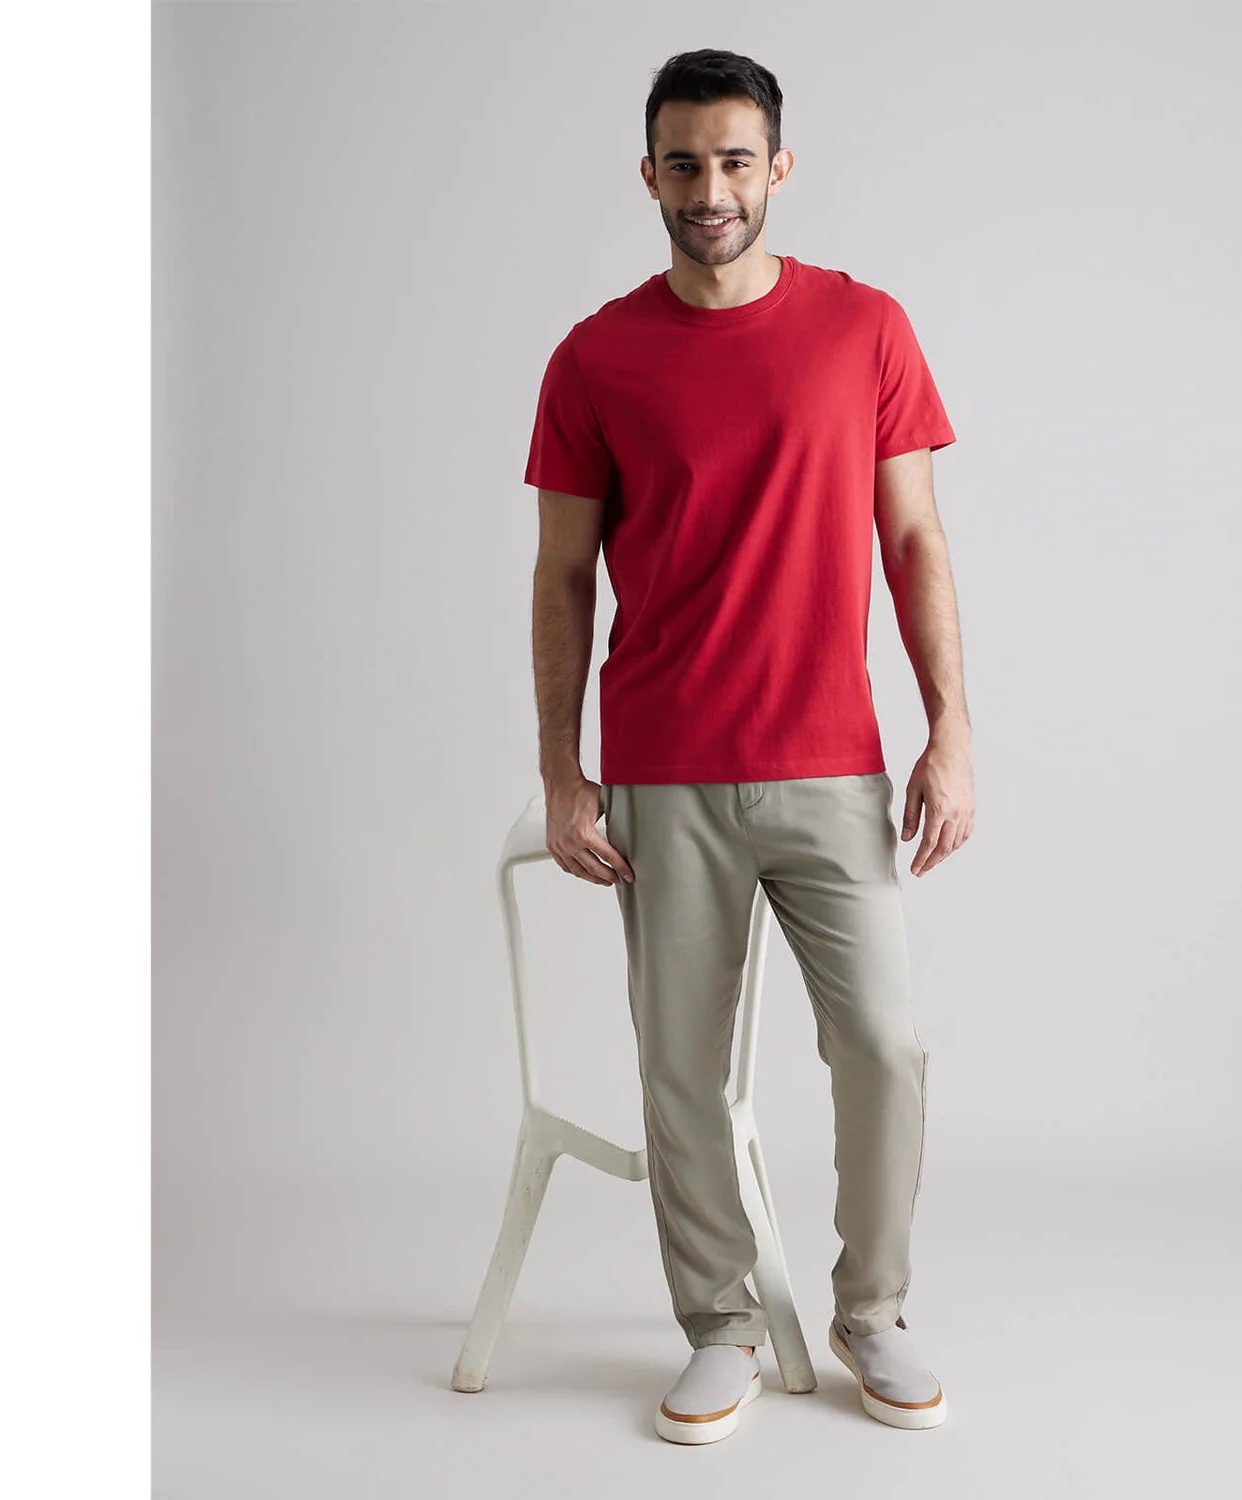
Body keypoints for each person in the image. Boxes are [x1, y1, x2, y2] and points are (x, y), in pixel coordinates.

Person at [525, 48, 974, 1444]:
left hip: (832, 764)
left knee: (884, 1045)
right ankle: (717, 1321)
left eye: (733, 160)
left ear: (777, 168)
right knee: (682, 1068)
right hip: (663, 771)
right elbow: (561, 577)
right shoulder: (595, 356)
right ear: (648, 175)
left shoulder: (865, 329)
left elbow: (914, 538)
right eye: (684, 163)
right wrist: (562, 772)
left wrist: (951, 730)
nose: (709, 188)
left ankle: (871, 1309)